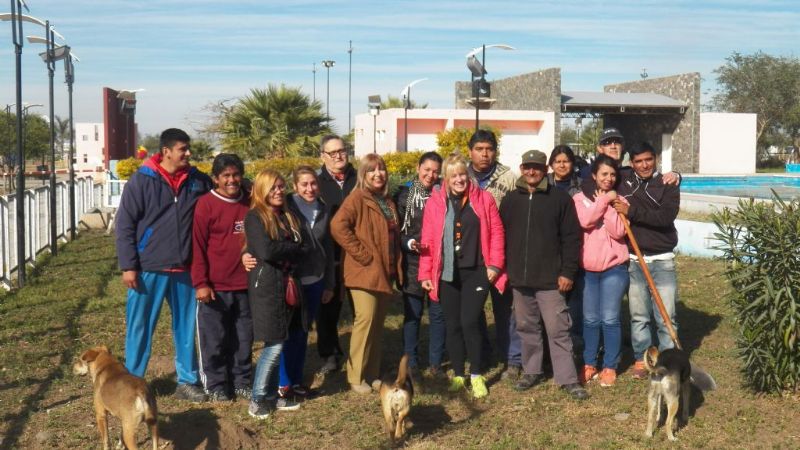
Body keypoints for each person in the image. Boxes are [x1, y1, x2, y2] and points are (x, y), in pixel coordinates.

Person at [115, 128, 211, 402]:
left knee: (185, 328)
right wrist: (128, 265)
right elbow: (125, 225)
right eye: (183, 149)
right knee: (140, 327)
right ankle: (132, 383)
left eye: (188, 148)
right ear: (166, 151)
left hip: (185, 269)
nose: (188, 153)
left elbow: (222, 192)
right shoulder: (142, 180)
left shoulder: (197, 181)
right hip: (148, 269)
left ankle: (188, 380)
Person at [499, 150, 587, 400]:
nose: (531, 171)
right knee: (526, 328)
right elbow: (501, 236)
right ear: (521, 167)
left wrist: (567, 271)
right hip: (520, 279)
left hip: (550, 279)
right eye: (527, 167)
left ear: (544, 169)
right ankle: (532, 370)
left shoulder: (559, 199)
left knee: (558, 329)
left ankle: (568, 378)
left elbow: (572, 239)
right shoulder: (510, 200)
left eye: (536, 167)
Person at [419, 154, 507, 399]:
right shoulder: (436, 203)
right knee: (453, 325)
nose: (459, 180)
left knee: (469, 322)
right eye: (454, 175)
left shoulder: (483, 199)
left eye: (462, 175)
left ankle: (477, 374)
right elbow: (428, 240)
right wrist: (425, 272)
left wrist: (495, 265)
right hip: (447, 273)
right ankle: (459, 373)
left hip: (477, 271)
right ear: (446, 179)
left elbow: (497, 232)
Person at [330, 154, 402, 394]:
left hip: (384, 272)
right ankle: (355, 376)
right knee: (365, 322)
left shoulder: (387, 201)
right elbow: (337, 226)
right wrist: (363, 254)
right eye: (372, 170)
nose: (378, 174)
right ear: (364, 174)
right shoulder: (358, 197)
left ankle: (371, 374)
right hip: (364, 273)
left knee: (376, 325)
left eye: (381, 169)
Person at [612, 142, 681, 380]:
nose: (644, 165)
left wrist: (631, 212)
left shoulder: (668, 184)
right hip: (634, 259)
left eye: (648, 160)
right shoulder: (623, 178)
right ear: (631, 163)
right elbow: (599, 171)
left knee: (666, 316)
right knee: (638, 314)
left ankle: (670, 359)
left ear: (656, 159)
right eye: (639, 161)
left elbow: (665, 217)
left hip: (662, 260)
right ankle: (643, 358)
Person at [191, 153, 253, 402]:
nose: (231, 180)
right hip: (215, 287)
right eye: (225, 175)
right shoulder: (205, 204)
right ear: (215, 179)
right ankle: (216, 384)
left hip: (245, 285)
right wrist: (201, 283)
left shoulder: (250, 202)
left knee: (243, 338)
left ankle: (241, 381)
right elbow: (197, 246)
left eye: (236, 174)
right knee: (213, 339)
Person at [244, 169, 305, 418]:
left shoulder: (287, 215)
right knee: (274, 344)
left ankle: (272, 395)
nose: (279, 191)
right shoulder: (255, 217)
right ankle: (257, 398)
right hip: (267, 288)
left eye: (281, 186)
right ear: (262, 190)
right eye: (273, 187)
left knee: (279, 341)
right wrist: (292, 248)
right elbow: (266, 251)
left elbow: (304, 245)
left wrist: (289, 249)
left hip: (286, 286)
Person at [465, 129, 522, 379]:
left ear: (495, 151)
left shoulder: (508, 177)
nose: (484, 154)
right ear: (470, 152)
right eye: (479, 149)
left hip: (501, 253)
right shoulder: (461, 175)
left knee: (506, 308)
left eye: (489, 149)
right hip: (471, 255)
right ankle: (481, 354)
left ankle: (512, 358)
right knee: (474, 309)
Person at [278, 166, 336, 399]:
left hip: (316, 280)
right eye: (304, 184)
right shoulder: (286, 207)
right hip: (292, 280)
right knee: (286, 332)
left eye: (313, 183)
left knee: (303, 331)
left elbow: (329, 250)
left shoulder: (323, 209)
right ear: (295, 186)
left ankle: (296, 380)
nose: (310, 188)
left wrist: (329, 284)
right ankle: (282, 382)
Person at [573, 155, 630, 387]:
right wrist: (603, 201)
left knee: (610, 318)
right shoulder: (579, 199)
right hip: (588, 270)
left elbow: (618, 231)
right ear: (594, 175)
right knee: (590, 319)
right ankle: (589, 363)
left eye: (613, 175)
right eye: (604, 174)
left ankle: (610, 365)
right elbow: (585, 221)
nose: (609, 178)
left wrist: (608, 204)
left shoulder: (620, 201)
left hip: (614, 268)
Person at [395, 152, 446, 378]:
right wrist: (409, 243)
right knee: (413, 316)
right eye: (427, 169)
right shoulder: (404, 195)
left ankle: (436, 363)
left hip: (439, 264)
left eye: (435, 171)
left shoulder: (444, 193)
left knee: (438, 315)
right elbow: (396, 231)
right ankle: (411, 362)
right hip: (412, 263)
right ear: (418, 168)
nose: (431, 175)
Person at [316, 135, 357, 374]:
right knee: (328, 309)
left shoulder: (359, 178)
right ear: (323, 156)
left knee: (359, 307)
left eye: (342, 150)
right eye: (332, 153)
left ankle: (360, 351)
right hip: (329, 254)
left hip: (356, 253)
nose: (339, 156)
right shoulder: (317, 183)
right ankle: (329, 353)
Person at [547, 145, 584, 344]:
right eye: (558, 161)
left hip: (575, 245)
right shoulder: (544, 185)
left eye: (566, 161)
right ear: (551, 164)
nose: (562, 165)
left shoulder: (583, 186)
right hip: (550, 249)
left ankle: (575, 338)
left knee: (575, 297)